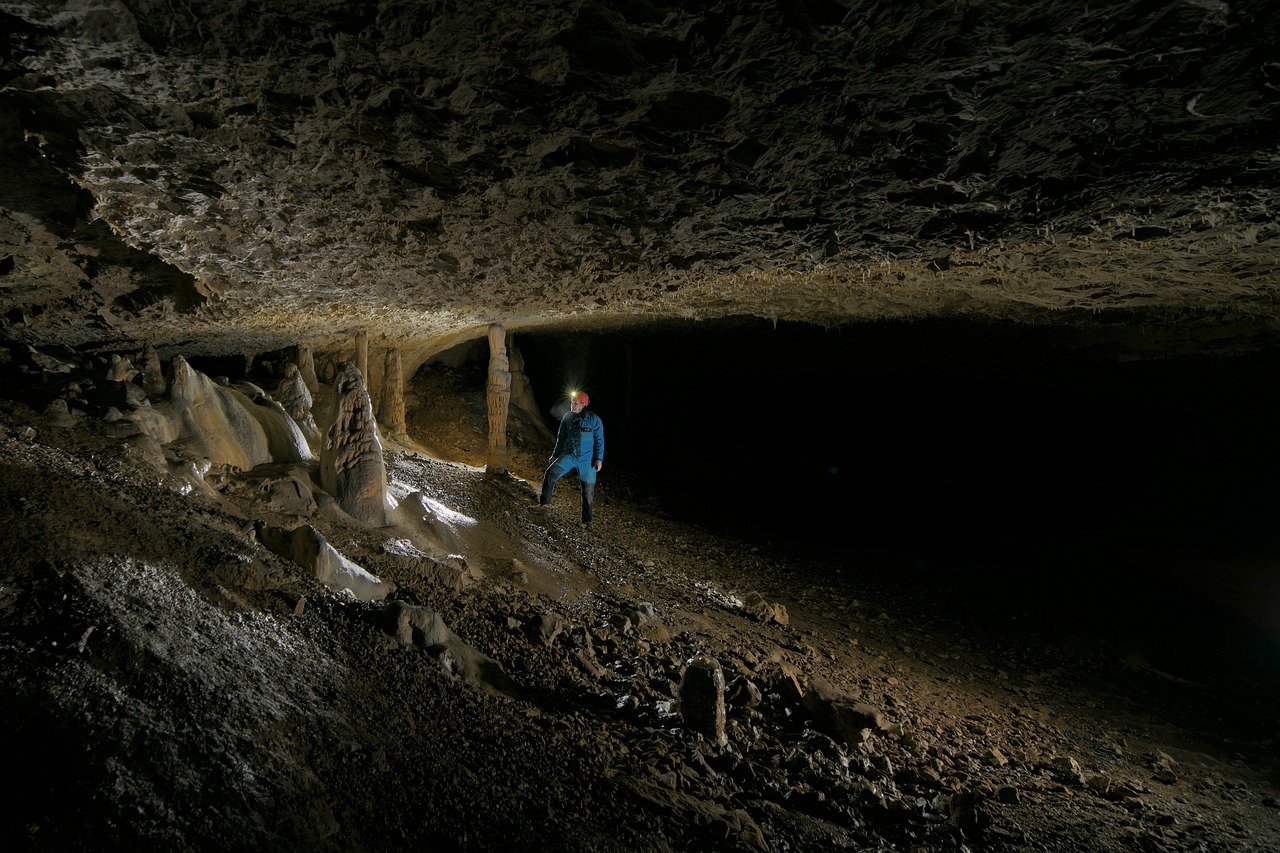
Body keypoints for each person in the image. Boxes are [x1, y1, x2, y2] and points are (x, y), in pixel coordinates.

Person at [533, 390, 604, 526]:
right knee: (551, 472)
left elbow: (600, 440)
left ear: (583, 405)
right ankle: (543, 505)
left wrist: (599, 459)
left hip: (587, 461)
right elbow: (561, 438)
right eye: (572, 402)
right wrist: (555, 454)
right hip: (569, 455)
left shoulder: (594, 420)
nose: (572, 405)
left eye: (575, 403)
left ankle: (586, 521)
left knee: (588, 491)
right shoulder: (567, 417)